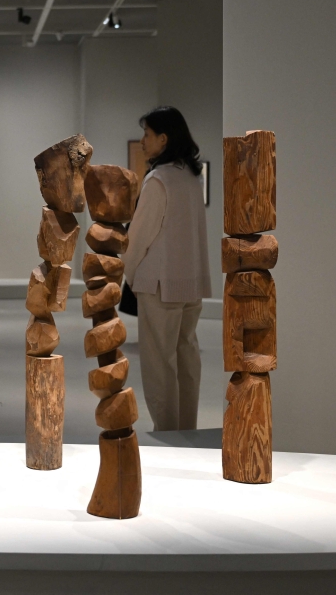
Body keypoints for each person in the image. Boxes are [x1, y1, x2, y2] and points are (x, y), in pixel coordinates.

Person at [121, 106, 211, 432]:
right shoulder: (191, 177)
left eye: (147, 134)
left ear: (163, 138)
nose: (143, 141)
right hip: (190, 281)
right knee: (187, 357)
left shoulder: (158, 180)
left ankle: (169, 433)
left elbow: (139, 236)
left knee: (160, 364)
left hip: (159, 283)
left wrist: (129, 273)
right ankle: (187, 430)